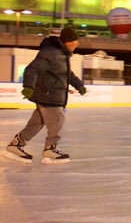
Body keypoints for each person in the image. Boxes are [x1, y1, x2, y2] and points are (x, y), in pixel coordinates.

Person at [4, 26, 86, 164]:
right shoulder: (51, 53)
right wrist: (28, 86)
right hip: (48, 95)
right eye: (75, 42)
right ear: (67, 42)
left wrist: (79, 85)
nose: (77, 44)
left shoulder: (62, 54)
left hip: (50, 94)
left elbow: (67, 74)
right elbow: (33, 69)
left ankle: (16, 145)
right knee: (58, 119)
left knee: (36, 123)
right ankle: (50, 149)